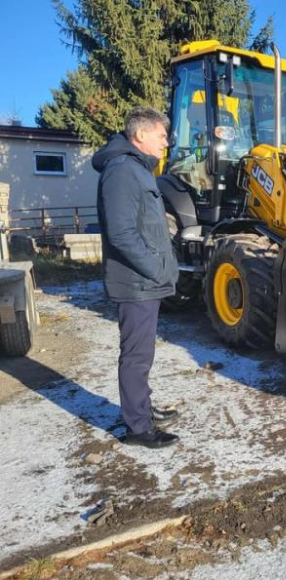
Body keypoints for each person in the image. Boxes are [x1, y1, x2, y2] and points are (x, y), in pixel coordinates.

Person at [93, 107, 181, 449]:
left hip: (145, 282)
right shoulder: (123, 171)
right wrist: (157, 269)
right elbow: (122, 233)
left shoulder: (137, 170)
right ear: (141, 135)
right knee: (136, 355)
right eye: (161, 135)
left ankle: (141, 409)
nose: (165, 142)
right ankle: (139, 429)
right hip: (136, 282)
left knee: (142, 353)